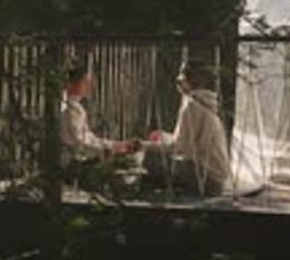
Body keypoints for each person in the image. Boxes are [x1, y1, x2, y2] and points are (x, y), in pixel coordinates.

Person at [143, 60, 230, 197]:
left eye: (182, 75)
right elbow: (188, 143)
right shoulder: (205, 103)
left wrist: (142, 145)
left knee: (151, 159)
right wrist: (164, 136)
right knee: (156, 154)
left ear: (189, 79)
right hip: (215, 179)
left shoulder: (191, 106)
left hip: (204, 179)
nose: (178, 79)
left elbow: (179, 147)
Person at [60, 65, 138, 174]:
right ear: (71, 84)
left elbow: (87, 138)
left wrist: (114, 145)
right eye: (84, 82)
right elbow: (80, 143)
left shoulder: (74, 106)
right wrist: (111, 148)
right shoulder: (70, 109)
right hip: (72, 163)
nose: (88, 86)